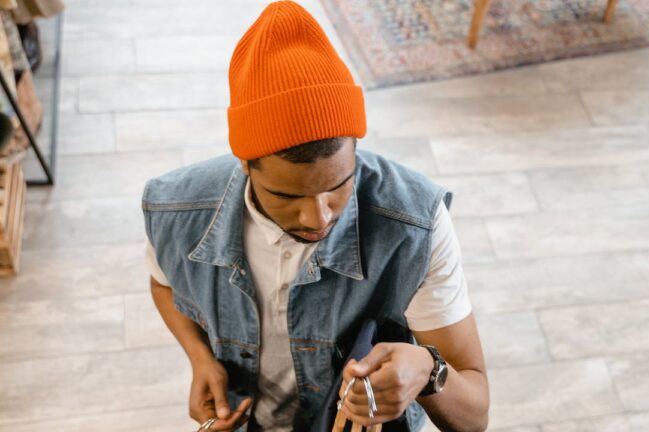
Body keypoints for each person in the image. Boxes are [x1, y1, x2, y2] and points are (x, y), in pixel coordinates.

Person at [142, 2, 489, 431]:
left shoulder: (415, 224)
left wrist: (427, 368)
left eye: (339, 185)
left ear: (356, 150)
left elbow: (474, 415)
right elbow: (163, 283)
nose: (318, 216)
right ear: (246, 165)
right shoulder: (177, 211)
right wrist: (200, 358)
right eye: (288, 195)